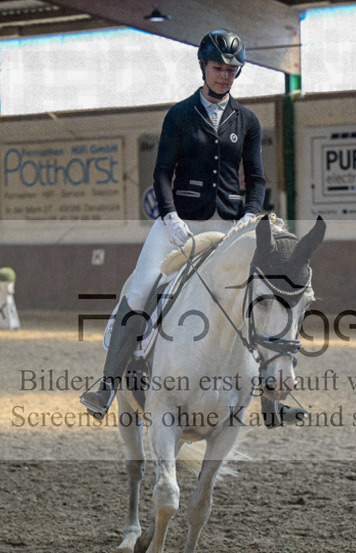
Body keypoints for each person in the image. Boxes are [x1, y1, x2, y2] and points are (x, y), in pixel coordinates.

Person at [80, 29, 306, 428]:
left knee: (263, 292)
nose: (225, 75)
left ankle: (274, 401)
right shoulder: (180, 115)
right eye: (218, 68)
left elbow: (255, 178)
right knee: (140, 289)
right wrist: (169, 215)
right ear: (203, 66)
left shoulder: (247, 120)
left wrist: (250, 215)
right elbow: (163, 171)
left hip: (230, 224)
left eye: (232, 70)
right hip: (178, 222)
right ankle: (107, 384)